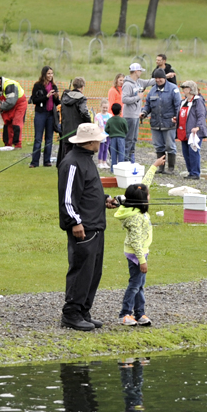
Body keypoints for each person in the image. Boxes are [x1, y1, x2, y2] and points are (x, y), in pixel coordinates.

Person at [57, 122, 119, 331]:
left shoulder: (86, 160)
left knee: (94, 271)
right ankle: (71, 313)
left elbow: (90, 189)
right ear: (89, 142)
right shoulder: (72, 163)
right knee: (81, 270)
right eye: (98, 139)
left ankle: (84, 310)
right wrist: (75, 222)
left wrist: (105, 199)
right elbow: (67, 197)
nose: (101, 142)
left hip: (96, 225)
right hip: (84, 226)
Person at [114, 155, 166, 326]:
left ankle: (140, 313)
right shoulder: (136, 217)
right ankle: (126, 314)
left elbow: (144, 185)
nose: (149, 195)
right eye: (147, 195)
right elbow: (135, 242)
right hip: (137, 254)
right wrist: (142, 261)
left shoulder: (135, 205)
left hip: (141, 253)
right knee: (135, 285)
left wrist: (154, 166)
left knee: (140, 285)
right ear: (142, 199)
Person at [141, 68, 182, 174]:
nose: (158, 80)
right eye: (156, 78)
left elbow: (178, 106)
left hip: (169, 123)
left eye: (160, 78)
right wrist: (144, 113)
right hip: (155, 123)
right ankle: (161, 167)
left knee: (170, 146)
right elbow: (147, 105)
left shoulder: (173, 89)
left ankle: (171, 168)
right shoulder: (152, 90)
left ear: (164, 78)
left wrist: (177, 118)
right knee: (158, 146)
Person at [29, 66, 61, 167]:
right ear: (44, 74)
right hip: (40, 113)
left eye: (52, 73)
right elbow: (35, 100)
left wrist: (56, 97)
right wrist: (46, 97)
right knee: (38, 138)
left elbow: (57, 102)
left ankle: (47, 161)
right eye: (48, 74)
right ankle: (34, 162)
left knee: (49, 138)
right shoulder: (37, 85)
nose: (50, 76)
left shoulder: (54, 86)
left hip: (51, 114)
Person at [58, 77, 92, 165]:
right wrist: (89, 121)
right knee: (77, 155)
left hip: (66, 130)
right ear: (82, 86)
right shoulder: (81, 98)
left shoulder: (64, 97)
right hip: (77, 132)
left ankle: (66, 170)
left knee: (67, 154)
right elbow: (84, 112)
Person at [0, 76, 27, 149]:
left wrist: (1, 107)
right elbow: (4, 99)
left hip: (19, 104)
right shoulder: (0, 87)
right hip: (9, 104)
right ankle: (8, 144)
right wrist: (0, 104)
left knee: (16, 123)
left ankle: (17, 145)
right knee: (7, 122)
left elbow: (11, 102)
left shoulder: (9, 85)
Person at [179, 81, 207, 179]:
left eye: (185, 88)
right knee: (186, 153)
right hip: (184, 132)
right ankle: (191, 172)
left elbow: (201, 115)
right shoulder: (184, 101)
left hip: (195, 132)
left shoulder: (198, 101)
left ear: (191, 89)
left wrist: (198, 127)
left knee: (193, 152)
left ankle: (195, 173)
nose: (183, 90)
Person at [121, 63, 145, 162]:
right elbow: (124, 99)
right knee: (129, 139)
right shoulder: (127, 84)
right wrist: (137, 98)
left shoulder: (137, 82)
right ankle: (125, 159)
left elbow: (149, 81)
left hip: (135, 115)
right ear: (135, 71)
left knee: (134, 139)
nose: (141, 73)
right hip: (129, 116)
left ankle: (131, 158)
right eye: (140, 71)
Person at [95, 99, 112, 168]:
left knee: (106, 148)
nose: (105, 109)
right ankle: (99, 162)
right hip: (101, 135)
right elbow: (96, 125)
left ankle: (104, 162)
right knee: (101, 149)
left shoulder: (110, 116)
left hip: (107, 135)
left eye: (106, 108)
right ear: (101, 107)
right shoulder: (98, 116)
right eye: (103, 107)